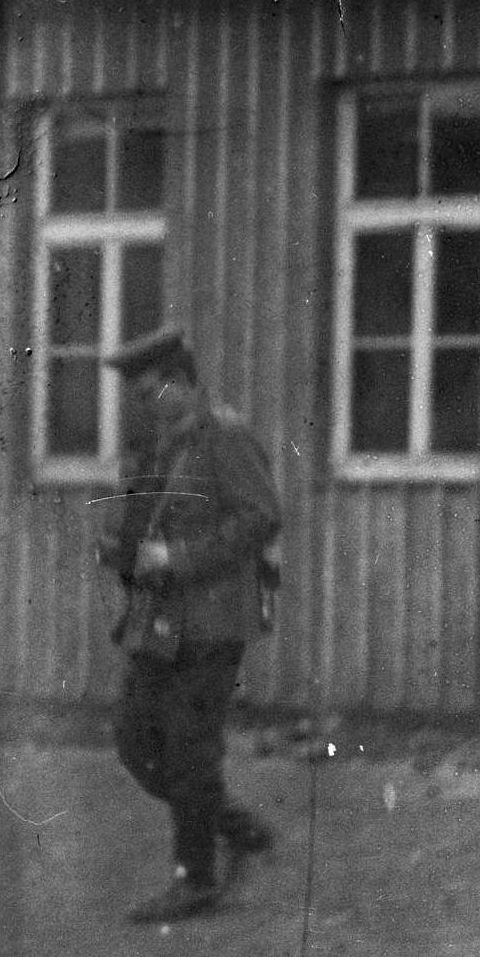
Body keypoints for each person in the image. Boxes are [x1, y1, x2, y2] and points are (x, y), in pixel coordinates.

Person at [100, 328, 284, 924]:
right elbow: (144, 519)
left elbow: (262, 516)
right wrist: (122, 547)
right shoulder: (159, 444)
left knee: (188, 748)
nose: (143, 404)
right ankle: (236, 828)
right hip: (157, 621)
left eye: (150, 391)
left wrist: (178, 558)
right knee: (135, 743)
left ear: (181, 383)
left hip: (212, 621)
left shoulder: (224, 436)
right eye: (137, 395)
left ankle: (196, 878)